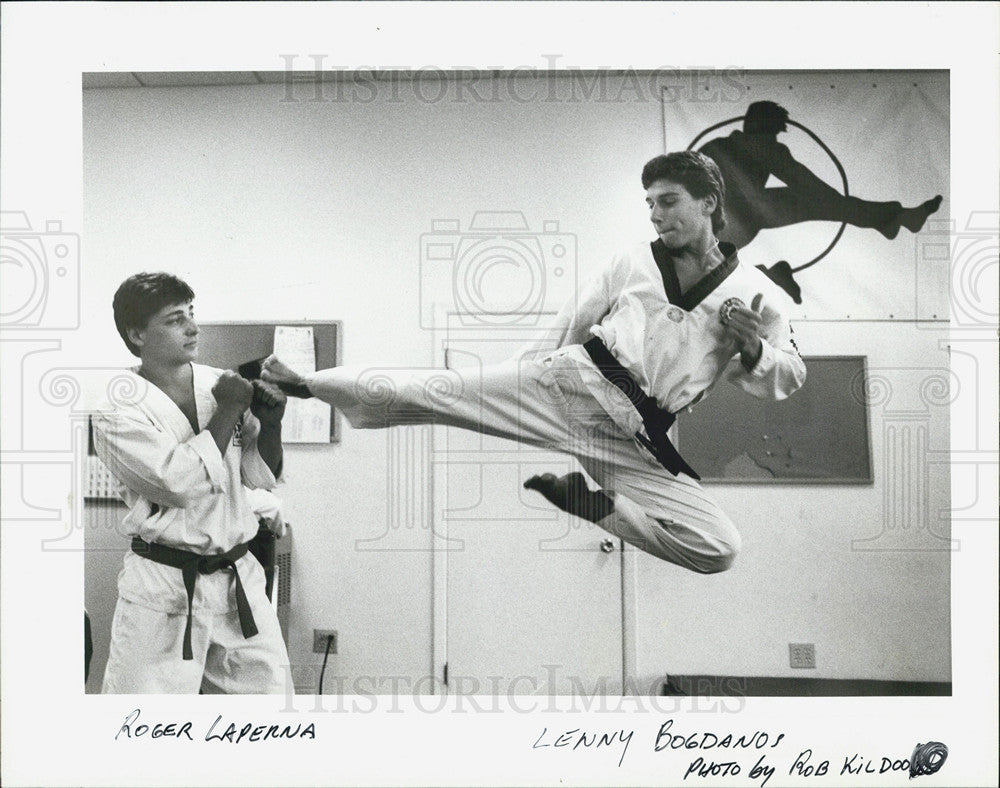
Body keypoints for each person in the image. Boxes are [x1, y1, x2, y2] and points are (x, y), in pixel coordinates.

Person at [264, 151, 806, 574]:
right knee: (432, 391)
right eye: (650, 205)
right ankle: (307, 383)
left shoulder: (755, 292)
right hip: (566, 387)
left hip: (632, 438)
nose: (656, 215)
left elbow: (791, 374)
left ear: (709, 202)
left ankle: (597, 508)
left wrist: (755, 349)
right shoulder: (633, 261)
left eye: (668, 201)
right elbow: (574, 318)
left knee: (719, 548)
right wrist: (522, 373)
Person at [92, 272, 290, 693]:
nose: (192, 327)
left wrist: (271, 425)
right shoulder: (116, 407)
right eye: (175, 319)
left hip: (238, 579)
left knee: (271, 713)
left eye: (192, 314)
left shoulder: (219, 383)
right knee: (142, 724)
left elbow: (258, 476)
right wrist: (229, 410)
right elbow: (178, 483)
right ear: (137, 334)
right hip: (163, 587)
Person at [699, 100, 943, 250]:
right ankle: (889, 217)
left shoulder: (715, 146)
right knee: (811, 201)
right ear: (767, 130)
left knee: (795, 201)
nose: (776, 139)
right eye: (775, 132)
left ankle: (887, 218)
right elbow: (807, 184)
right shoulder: (764, 147)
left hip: (706, 230)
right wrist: (839, 204)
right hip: (728, 227)